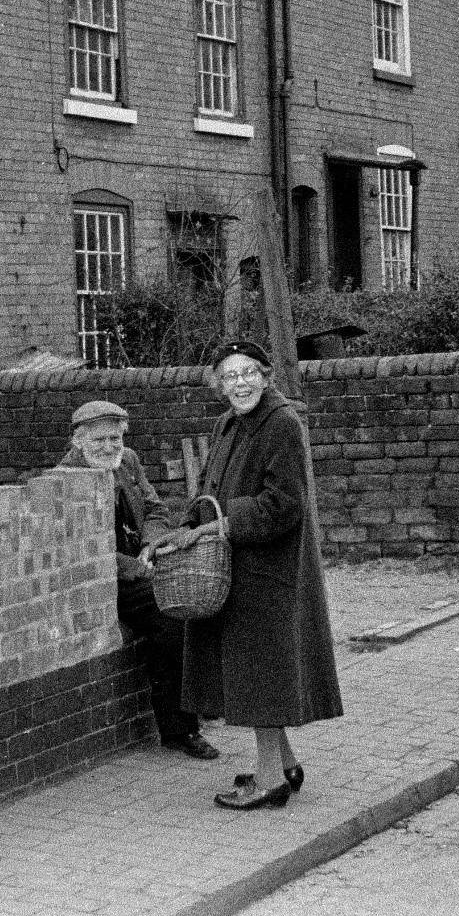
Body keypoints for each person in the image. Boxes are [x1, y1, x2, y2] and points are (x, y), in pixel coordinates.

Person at [147, 340, 342, 809]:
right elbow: (209, 488)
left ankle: (271, 779)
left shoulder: (282, 424)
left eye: (248, 373)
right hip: (238, 567)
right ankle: (285, 764)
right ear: (218, 386)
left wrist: (218, 526)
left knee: (261, 676)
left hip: (271, 572)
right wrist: (185, 529)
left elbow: (284, 505)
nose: (240, 384)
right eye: (229, 376)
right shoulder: (228, 423)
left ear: (266, 375)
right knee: (257, 673)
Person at [56, 399, 219, 761]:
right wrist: (135, 566)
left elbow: (155, 508)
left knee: (202, 596)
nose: (109, 447)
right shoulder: (66, 480)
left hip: (140, 567)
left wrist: (150, 544)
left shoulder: (127, 462)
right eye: (99, 440)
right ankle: (180, 730)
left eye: (115, 437)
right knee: (172, 616)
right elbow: (82, 550)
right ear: (78, 441)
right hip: (101, 582)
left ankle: (204, 701)